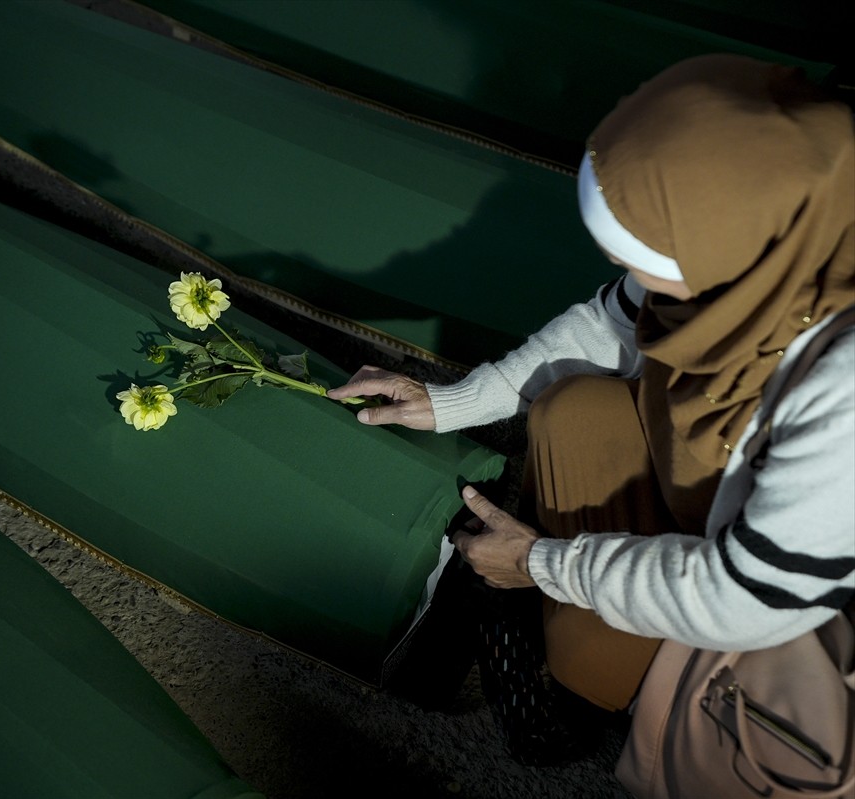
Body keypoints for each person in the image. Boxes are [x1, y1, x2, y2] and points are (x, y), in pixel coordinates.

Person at [328, 53, 855, 762]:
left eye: (647, 260)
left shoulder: (842, 386)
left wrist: (546, 564)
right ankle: (568, 619)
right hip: (714, 501)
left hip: (781, 612)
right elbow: (606, 323)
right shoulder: (769, 243)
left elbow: (747, 599)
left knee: (584, 655)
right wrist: (452, 402)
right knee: (574, 410)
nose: (628, 281)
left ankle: (595, 699)